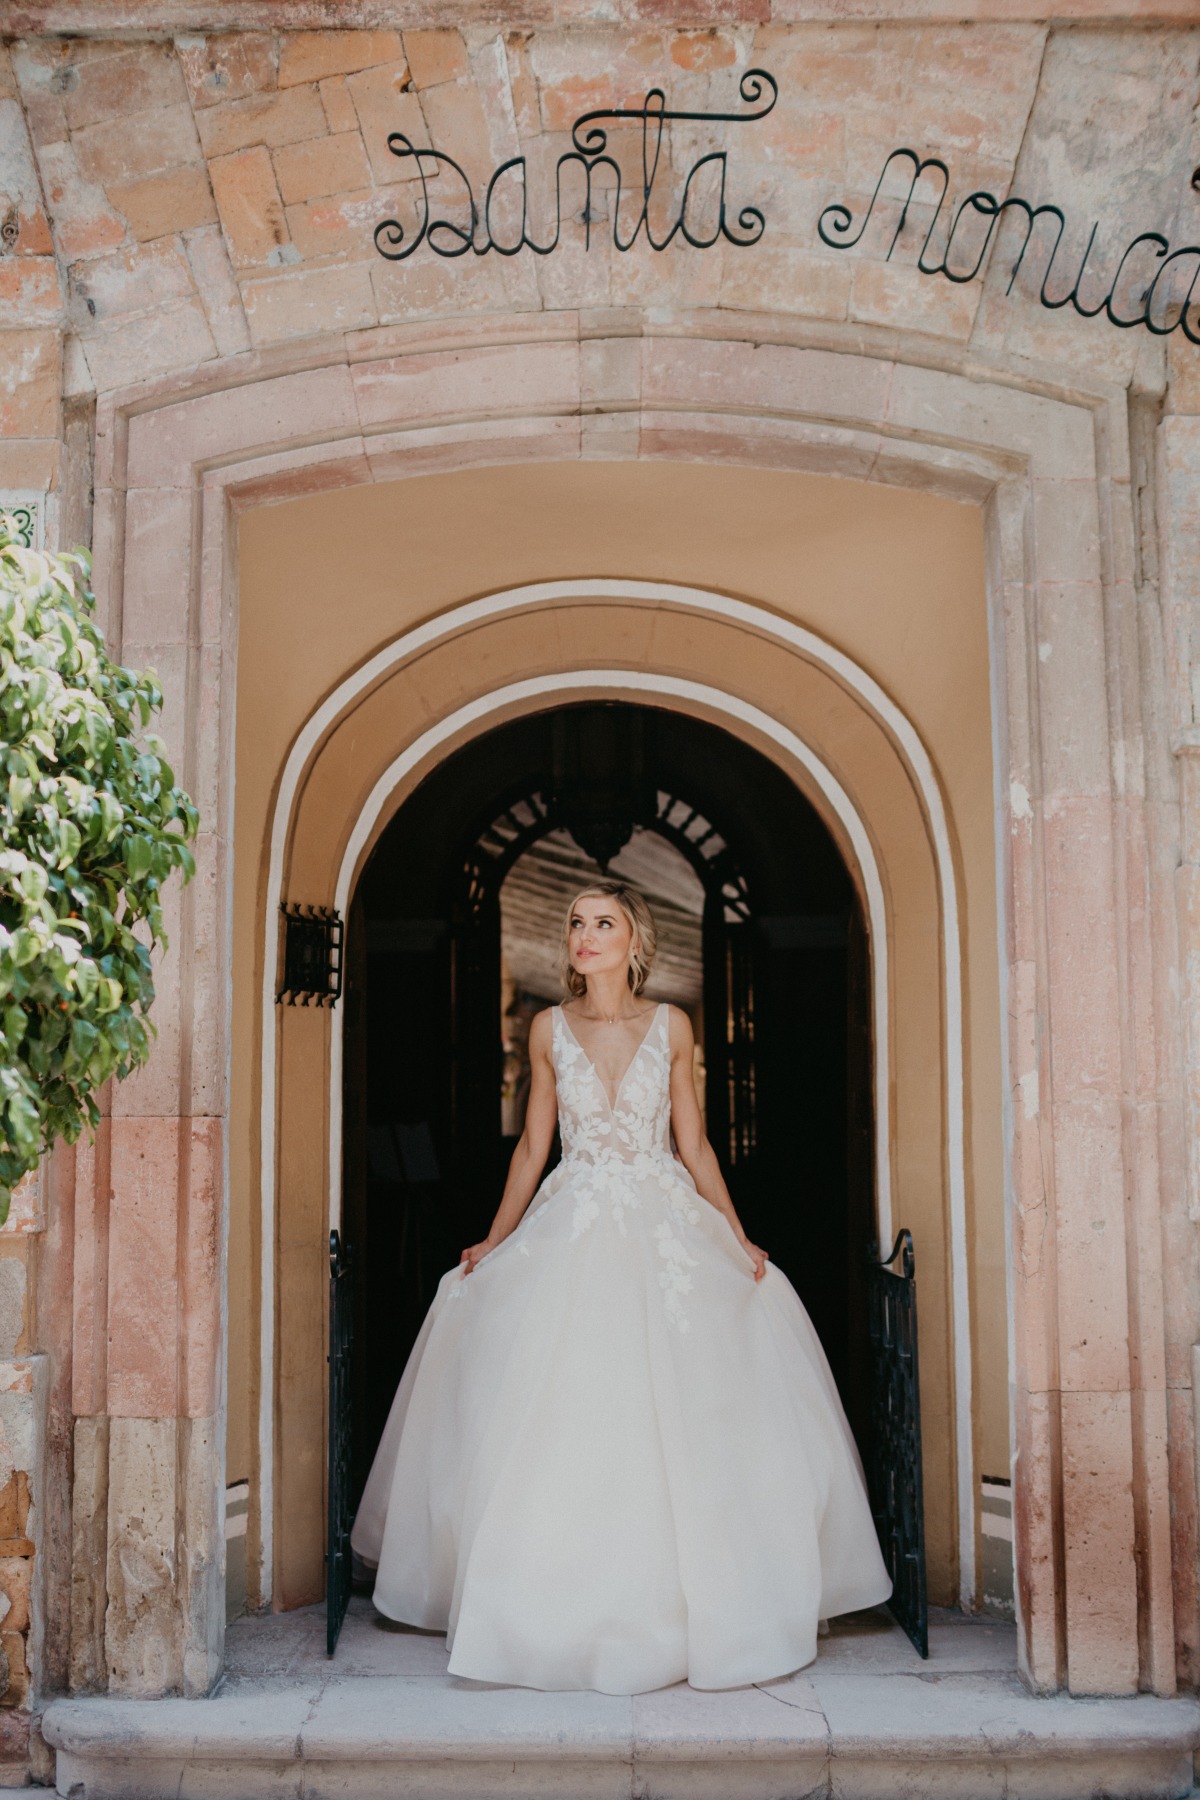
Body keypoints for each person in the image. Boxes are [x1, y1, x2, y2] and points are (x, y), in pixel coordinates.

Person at [351, 879, 891, 1695]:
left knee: (689, 1390)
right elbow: (533, 1150)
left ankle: (699, 1597)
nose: (583, 935)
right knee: (555, 1390)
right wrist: (495, 1242)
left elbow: (698, 1146)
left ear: (635, 941)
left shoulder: (672, 1026)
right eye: (575, 922)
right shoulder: (545, 1029)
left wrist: (737, 1235)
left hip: (663, 1221)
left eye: (602, 923)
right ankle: (541, 1600)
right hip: (573, 1216)